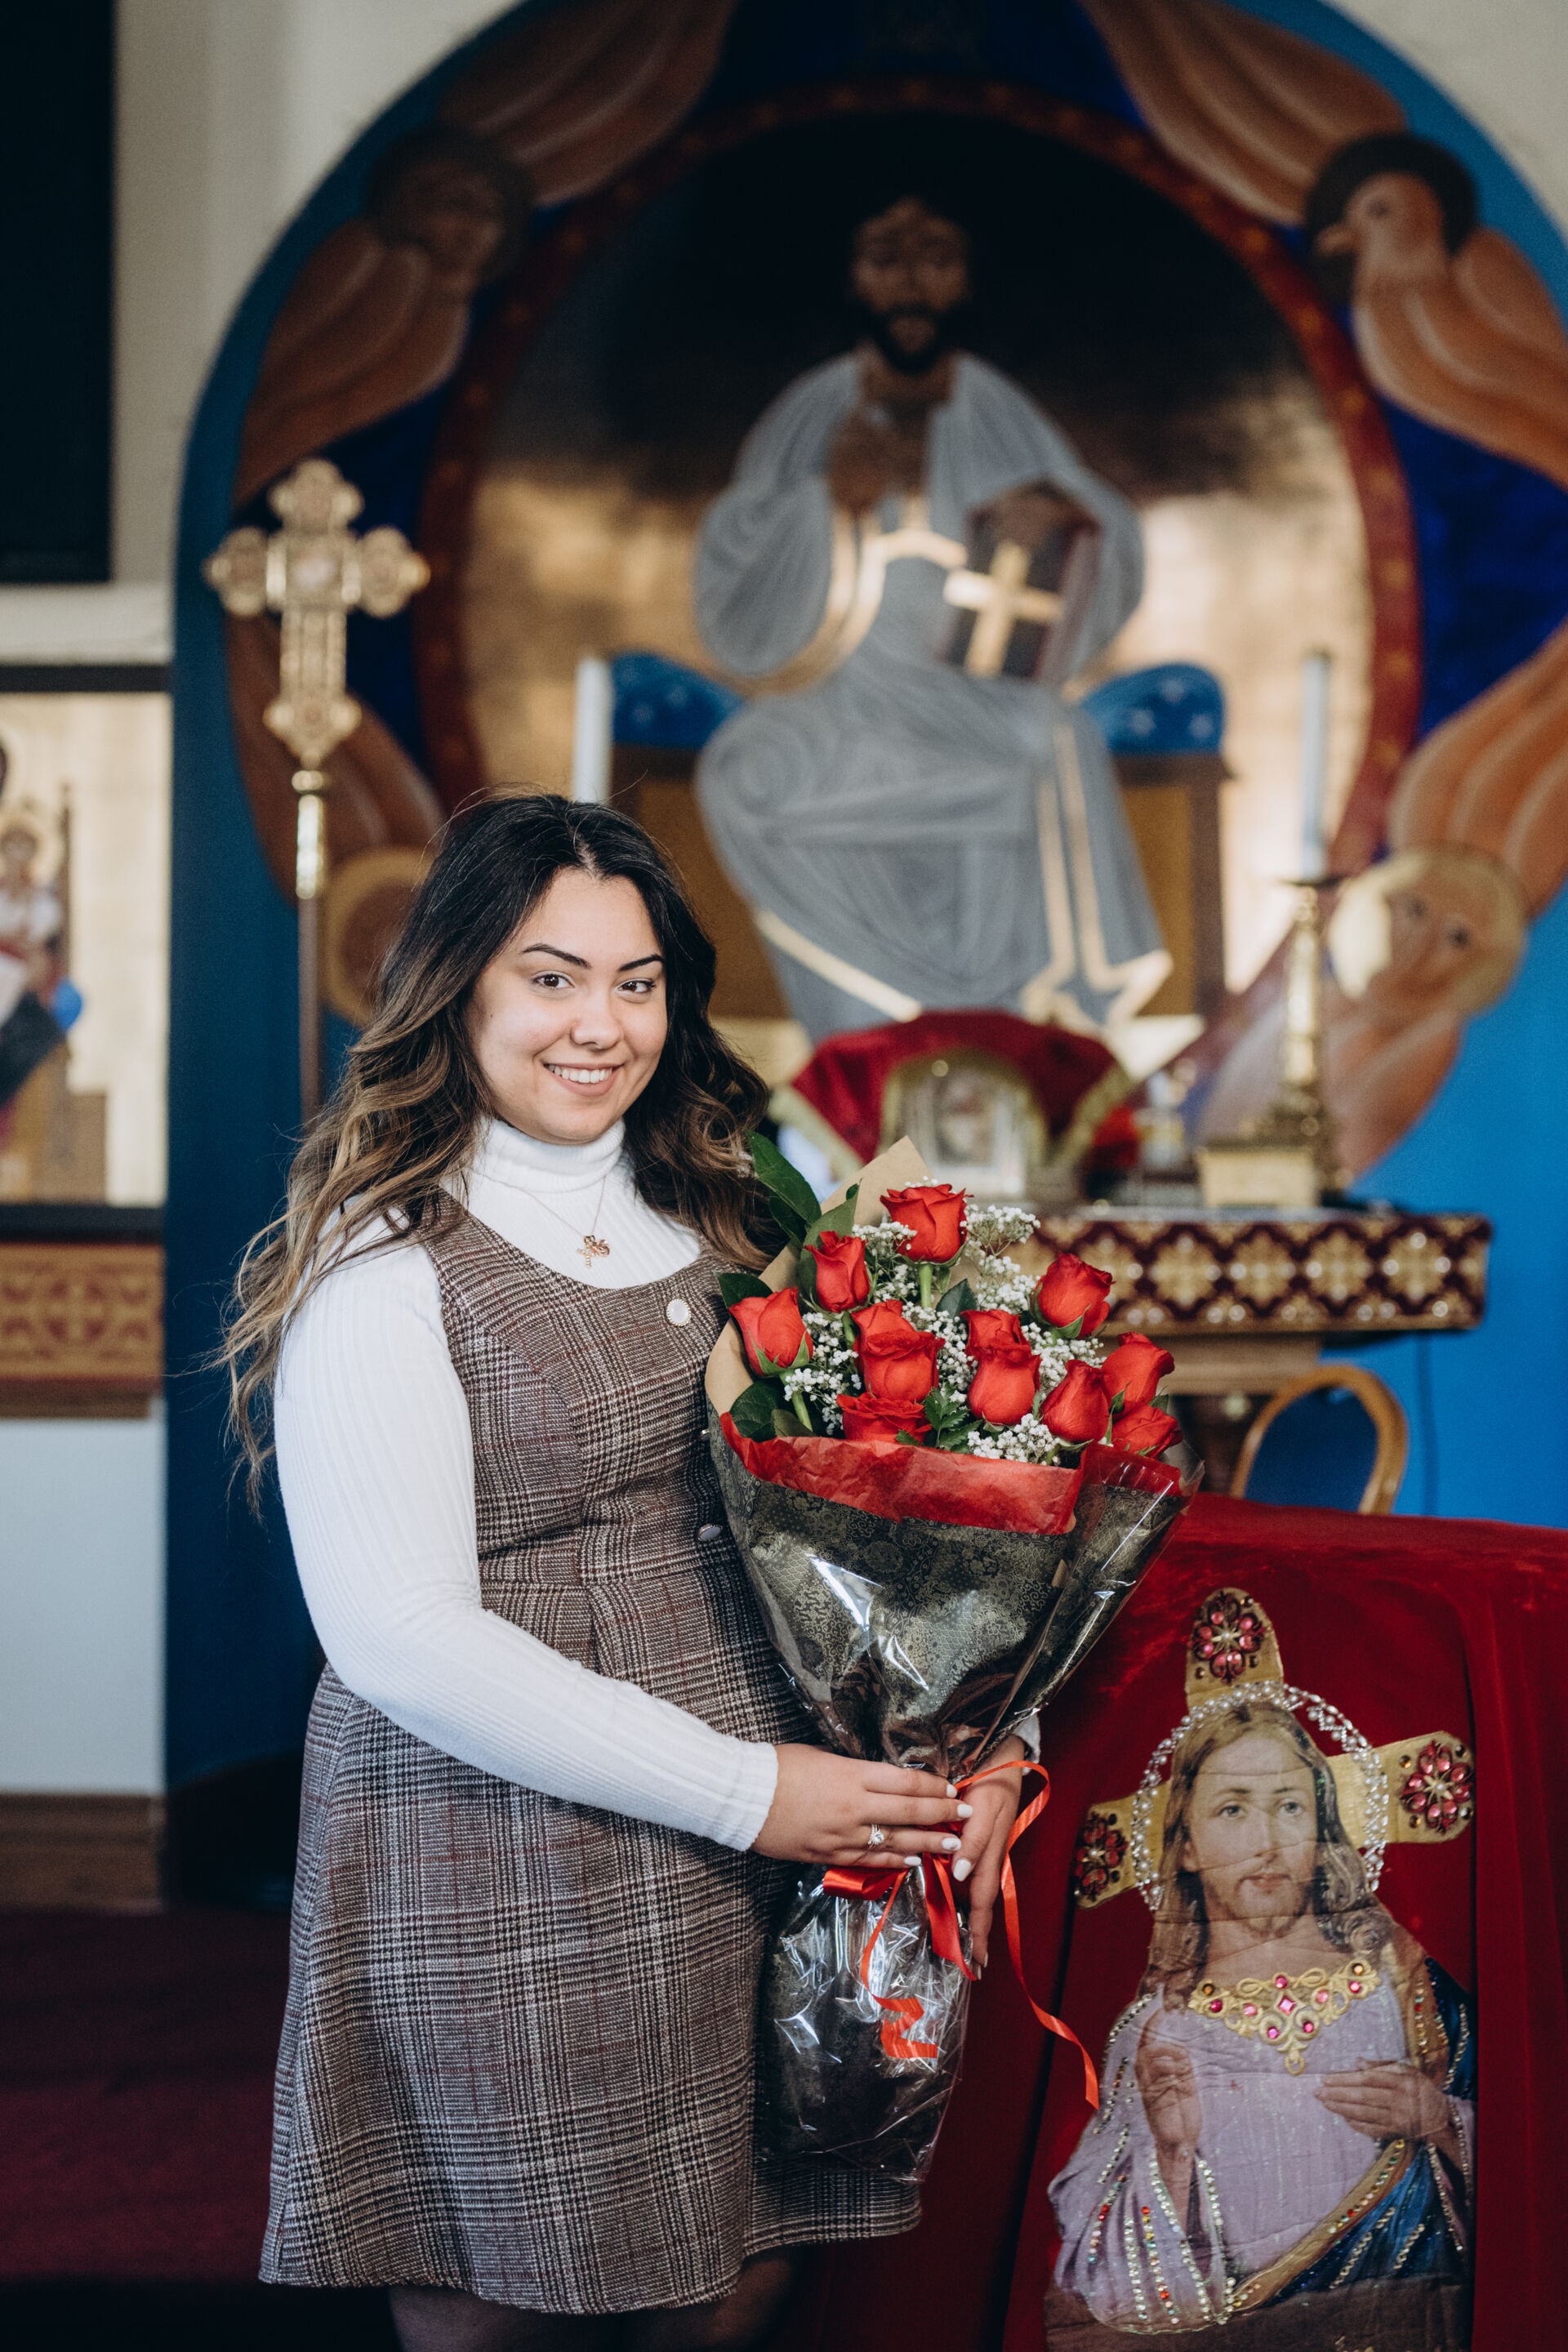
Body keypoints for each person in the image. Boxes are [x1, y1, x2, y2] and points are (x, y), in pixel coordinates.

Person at [224, 794, 1028, 2350]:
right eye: (551, 977)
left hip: (767, 1850)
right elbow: (399, 1637)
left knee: (743, 2268)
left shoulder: (739, 1225)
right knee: (496, 2299)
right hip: (506, 1837)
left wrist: (979, 1746)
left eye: (637, 982)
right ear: (457, 988)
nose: (601, 1025)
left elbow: (908, 1523)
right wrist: (751, 1791)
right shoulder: (386, 1267)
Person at [693, 192, 1165, 1043]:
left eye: (936, 262)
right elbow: (735, 555)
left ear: (965, 284)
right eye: (887, 261)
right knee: (741, 771)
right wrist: (821, 504)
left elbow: (1104, 527)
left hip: (973, 690)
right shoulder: (812, 411)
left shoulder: (1000, 411)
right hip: (846, 692)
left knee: (1057, 749)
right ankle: (852, 1039)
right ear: (856, 281)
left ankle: (994, 1032)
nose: (911, 284)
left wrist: (1058, 506)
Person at [1048, 1702, 1473, 2334]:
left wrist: (1441, 2120)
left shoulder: (1410, 1989)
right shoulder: (1155, 2035)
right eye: (1233, 1809)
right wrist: (1170, 2156)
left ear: (1323, 1830)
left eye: (1290, 1806)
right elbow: (1096, 2282)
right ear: (1186, 1846)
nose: (1267, 1841)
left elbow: (1535, 2151)